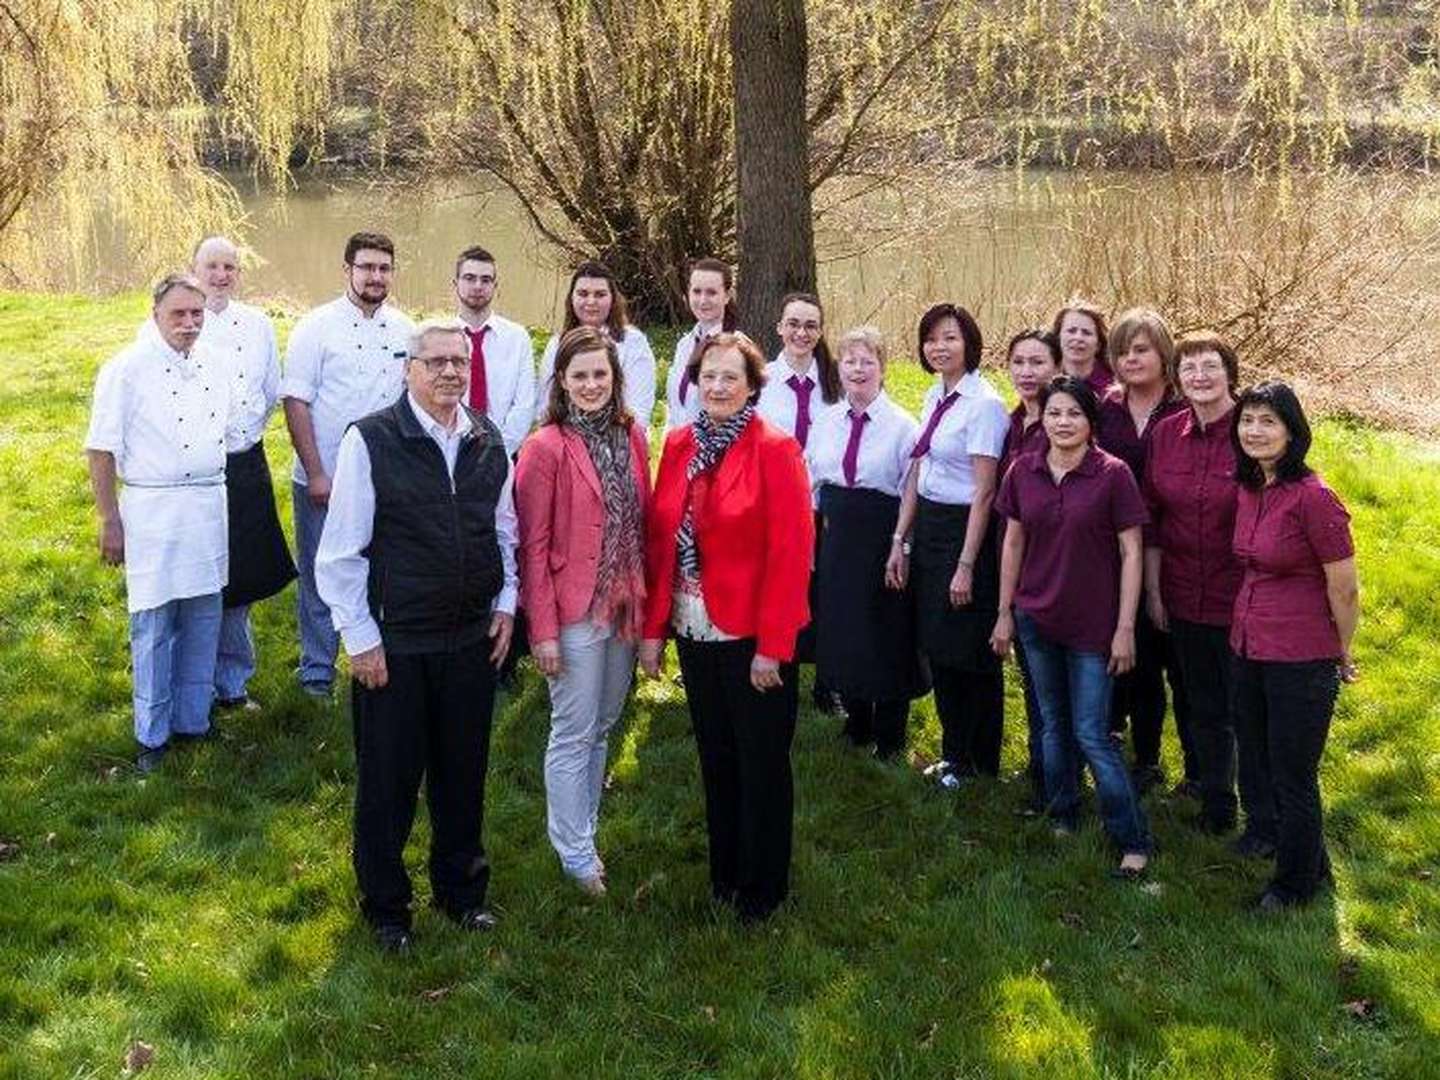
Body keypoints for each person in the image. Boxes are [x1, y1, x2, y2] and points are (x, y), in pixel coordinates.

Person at [314, 319, 518, 952]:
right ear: (409, 368)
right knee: (389, 782)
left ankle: (462, 893)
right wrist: (361, 639)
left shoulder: (488, 438)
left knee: (463, 774)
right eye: (435, 362)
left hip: (469, 638)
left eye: (459, 361)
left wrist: (507, 604)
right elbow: (340, 553)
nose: (450, 373)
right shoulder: (371, 440)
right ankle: (386, 908)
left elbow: (504, 531)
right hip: (396, 643)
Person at [638, 332, 813, 923]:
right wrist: (654, 629)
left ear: (751, 385)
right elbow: (662, 539)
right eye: (708, 376)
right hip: (694, 624)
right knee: (716, 754)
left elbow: (791, 556)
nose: (716, 387)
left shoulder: (775, 449)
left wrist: (774, 648)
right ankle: (725, 875)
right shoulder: (682, 442)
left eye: (729, 378)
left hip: (752, 634)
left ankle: (763, 889)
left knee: (760, 759)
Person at [990, 376, 1153, 879]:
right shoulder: (1024, 470)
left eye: (1073, 414)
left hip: (1092, 627)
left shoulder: (1113, 475)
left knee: (1091, 733)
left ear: (1090, 423)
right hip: (1036, 618)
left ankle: (1133, 838)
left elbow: (1131, 553)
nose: (1062, 422)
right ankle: (1063, 813)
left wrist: (1125, 626)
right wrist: (1004, 613)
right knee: (1052, 725)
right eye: (1055, 413)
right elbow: (1013, 544)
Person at [515, 327, 651, 898]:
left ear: (615, 379)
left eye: (601, 374)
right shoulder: (545, 446)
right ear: (562, 383)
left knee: (602, 726)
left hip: (624, 606)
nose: (591, 385)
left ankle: (585, 829)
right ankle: (573, 854)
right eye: (580, 376)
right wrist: (542, 632)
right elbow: (532, 547)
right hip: (572, 612)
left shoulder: (633, 434)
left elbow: (643, 523)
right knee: (572, 732)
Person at [85, 274, 239, 772]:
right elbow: (101, 448)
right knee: (152, 626)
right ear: (155, 314)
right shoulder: (125, 369)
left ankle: (193, 720)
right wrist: (110, 518)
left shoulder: (217, 363)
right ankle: (152, 735)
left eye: (196, 314)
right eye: (179, 314)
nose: (190, 324)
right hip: (152, 509)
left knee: (203, 618)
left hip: (207, 505)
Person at [1230, 381, 1358, 911]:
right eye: (1248, 421)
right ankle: (1313, 864)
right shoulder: (1251, 486)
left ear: (1292, 431)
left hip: (1301, 657)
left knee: (1293, 774)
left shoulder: (1315, 498)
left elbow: (1345, 586)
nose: (1254, 431)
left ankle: (1293, 886)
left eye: (1268, 422)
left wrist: (1342, 652)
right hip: (1248, 644)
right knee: (1257, 762)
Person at [280, 232, 415, 699]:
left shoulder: (405, 330)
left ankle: (380, 656)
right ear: (347, 270)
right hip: (327, 476)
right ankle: (317, 671)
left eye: (383, 269)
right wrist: (316, 471)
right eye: (367, 268)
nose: (375, 277)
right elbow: (296, 403)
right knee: (321, 577)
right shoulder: (315, 327)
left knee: (383, 574)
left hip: (386, 480)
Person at [886, 303, 1009, 788]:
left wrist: (966, 564)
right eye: (932, 338)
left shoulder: (983, 404)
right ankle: (953, 752)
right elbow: (919, 469)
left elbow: (985, 491)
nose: (940, 346)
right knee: (939, 644)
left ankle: (980, 761)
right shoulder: (935, 396)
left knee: (970, 651)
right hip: (932, 528)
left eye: (951, 338)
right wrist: (902, 538)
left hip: (966, 533)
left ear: (970, 343)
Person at [1143, 332, 1246, 836]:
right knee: (1201, 703)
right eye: (1189, 368)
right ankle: (1217, 802)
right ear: (1177, 378)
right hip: (1183, 592)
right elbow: (1154, 518)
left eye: (1210, 366)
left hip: (1242, 597)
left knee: (1248, 708)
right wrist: (1155, 591)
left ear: (1230, 373)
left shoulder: (1251, 429)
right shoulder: (1166, 434)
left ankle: (1269, 815)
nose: (1200, 376)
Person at [806, 327, 923, 759]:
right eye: (850, 361)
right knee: (845, 628)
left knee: (886, 629)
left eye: (867, 361)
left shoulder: (902, 427)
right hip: (837, 534)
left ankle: (890, 735)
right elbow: (811, 480)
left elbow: (911, 489)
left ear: (883, 368)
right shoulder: (827, 421)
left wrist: (901, 545)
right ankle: (858, 723)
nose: (857, 369)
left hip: (882, 534)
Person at [191, 237, 296, 711]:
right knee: (198, 578)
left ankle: (232, 683)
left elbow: (272, 388)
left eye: (229, 266)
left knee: (243, 575)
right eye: (211, 266)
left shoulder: (256, 325)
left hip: (244, 460)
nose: (220, 274)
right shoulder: (177, 319)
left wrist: (247, 431)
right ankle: (191, 683)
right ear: (194, 270)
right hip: (194, 468)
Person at [1095, 307, 1193, 794]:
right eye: (1122, 351)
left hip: (1171, 547)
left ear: (1163, 355)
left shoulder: (1182, 411)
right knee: (1120, 652)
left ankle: (1157, 756)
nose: (1131, 359)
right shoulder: (1105, 408)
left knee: (1161, 653)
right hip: (1110, 551)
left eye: (1142, 349)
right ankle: (1118, 739)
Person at [756, 292, 843, 712]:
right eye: (793, 323)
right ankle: (778, 665)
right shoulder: (762, 380)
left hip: (823, 503)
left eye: (810, 325)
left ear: (821, 331)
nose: (801, 333)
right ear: (779, 328)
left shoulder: (836, 383)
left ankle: (829, 682)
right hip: (774, 504)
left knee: (825, 591)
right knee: (781, 588)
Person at [1000, 329, 1062, 807]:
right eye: (1018, 362)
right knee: (1034, 680)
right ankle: (1043, 771)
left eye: (1037, 362)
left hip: (1055, 570)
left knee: (1056, 688)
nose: (1027, 372)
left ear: (1056, 367)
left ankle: (1055, 781)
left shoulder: (1064, 423)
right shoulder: (1014, 422)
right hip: (1015, 564)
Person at [538, 261, 656, 427]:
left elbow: (639, 409)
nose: (591, 301)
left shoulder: (633, 342)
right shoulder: (556, 344)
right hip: (566, 442)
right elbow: (545, 406)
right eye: (583, 294)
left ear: (613, 299)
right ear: (571, 298)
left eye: (600, 294)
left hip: (619, 440)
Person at [453, 245, 538, 457]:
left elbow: (524, 405)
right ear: (455, 284)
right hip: (449, 452)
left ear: (495, 286)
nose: (478, 286)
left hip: (503, 453)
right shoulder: (440, 338)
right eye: (470, 278)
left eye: (486, 280)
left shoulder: (517, 338)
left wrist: (498, 450)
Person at [664, 257, 737, 432]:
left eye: (711, 292)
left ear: (726, 296)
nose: (703, 300)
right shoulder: (684, 345)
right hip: (680, 449)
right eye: (697, 291)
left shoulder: (737, 346)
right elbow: (675, 409)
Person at [1051, 299, 1114, 398]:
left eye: (1086, 333)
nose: (1078, 338)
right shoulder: (1045, 381)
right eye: (1071, 331)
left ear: (1098, 344)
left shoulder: (1113, 389)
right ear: (1058, 337)